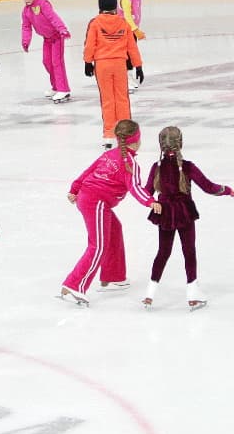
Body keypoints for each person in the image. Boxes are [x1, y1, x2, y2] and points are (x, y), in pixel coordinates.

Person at [60, 119, 161, 306]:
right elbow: (136, 187)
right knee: (97, 246)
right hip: (96, 202)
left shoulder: (109, 154)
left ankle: (114, 276)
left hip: (89, 197)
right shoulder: (129, 164)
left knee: (115, 229)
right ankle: (73, 285)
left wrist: (75, 189)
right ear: (137, 140)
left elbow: (87, 171)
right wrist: (150, 201)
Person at [143, 125, 234, 311]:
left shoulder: (156, 167)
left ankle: (149, 293)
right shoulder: (188, 167)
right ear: (181, 143)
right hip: (184, 212)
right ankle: (192, 293)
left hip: (165, 213)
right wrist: (226, 190)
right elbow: (209, 187)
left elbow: (146, 192)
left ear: (160, 145)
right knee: (189, 251)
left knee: (163, 252)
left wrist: (152, 202)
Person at [84, 0, 143, 148]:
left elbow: (90, 44)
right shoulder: (123, 23)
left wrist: (87, 62)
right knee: (122, 98)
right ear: (116, 7)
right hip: (119, 65)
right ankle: (126, 134)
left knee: (108, 100)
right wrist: (138, 66)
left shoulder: (95, 23)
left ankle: (109, 135)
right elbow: (132, 47)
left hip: (102, 66)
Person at [19, 0, 71, 103]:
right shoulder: (26, 11)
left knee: (56, 62)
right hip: (47, 39)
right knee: (47, 62)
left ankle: (63, 89)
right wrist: (25, 41)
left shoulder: (43, 4)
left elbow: (53, 17)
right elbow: (26, 27)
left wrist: (62, 29)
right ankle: (56, 87)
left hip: (57, 36)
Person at [120, 0, 149, 92]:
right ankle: (125, 78)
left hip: (130, 30)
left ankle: (128, 76)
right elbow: (127, 16)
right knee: (127, 55)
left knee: (131, 55)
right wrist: (135, 30)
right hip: (124, 31)